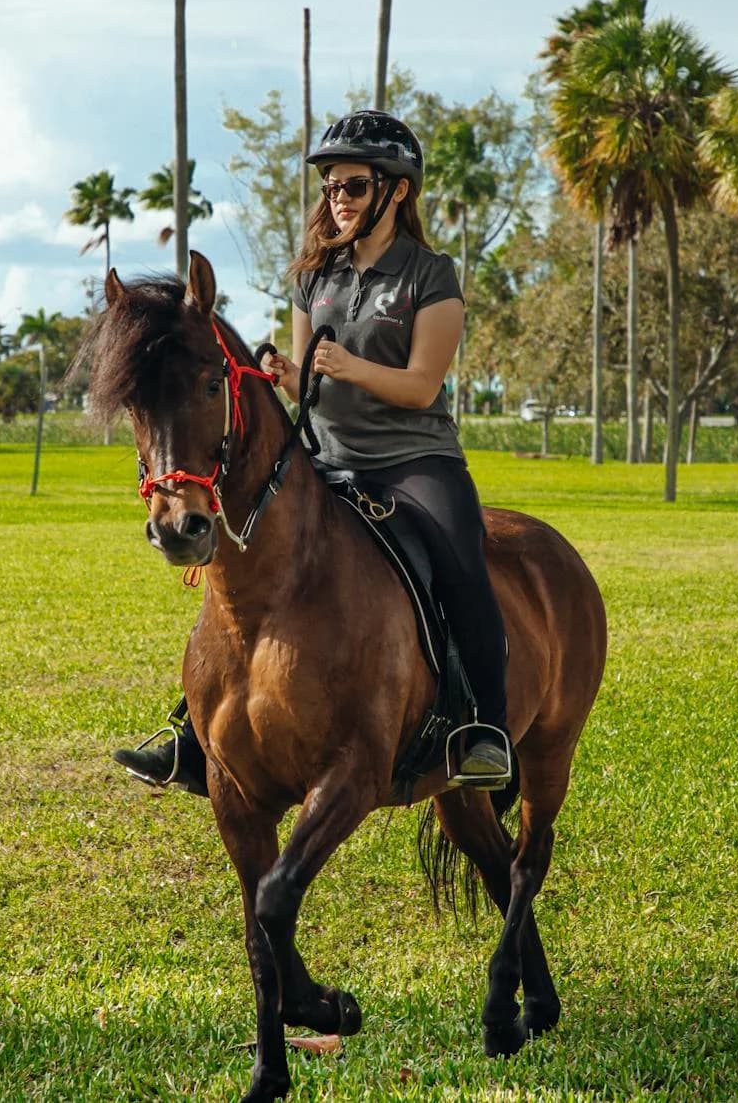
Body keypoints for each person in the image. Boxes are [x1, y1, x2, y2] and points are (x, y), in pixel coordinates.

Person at [113, 109, 512, 794]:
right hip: (326, 457)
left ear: (397, 191)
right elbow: (312, 382)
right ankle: (194, 730)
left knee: (461, 564)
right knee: (244, 565)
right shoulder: (314, 276)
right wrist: (292, 378)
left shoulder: (430, 277)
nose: (339, 199)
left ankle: (483, 727)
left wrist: (348, 367)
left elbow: (420, 386)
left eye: (354, 185)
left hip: (415, 464)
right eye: (331, 186)